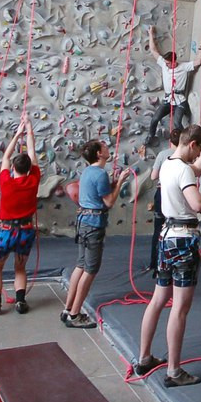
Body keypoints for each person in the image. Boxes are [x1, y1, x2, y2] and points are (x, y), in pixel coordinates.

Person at [135, 124, 201, 388]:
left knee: (159, 298)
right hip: (183, 239)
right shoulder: (183, 169)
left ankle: (144, 357)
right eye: (200, 149)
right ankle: (173, 371)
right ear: (192, 144)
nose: (199, 155)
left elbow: (197, 169)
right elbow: (196, 204)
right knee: (180, 308)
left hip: (166, 237)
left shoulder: (170, 163)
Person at [62, 139, 123, 328]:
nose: (107, 147)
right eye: (104, 146)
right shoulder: (101, 174)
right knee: (90, 270)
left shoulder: (88, 171)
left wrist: (112, 182)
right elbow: (109, 203)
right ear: (98, 153)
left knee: (80, 265)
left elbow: (99, 193)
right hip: (93, 225)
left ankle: (68, 308)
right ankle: (75, 314)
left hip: (83, 223)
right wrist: (120, 182)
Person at [0, 113, 39, 316]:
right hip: (25, 231)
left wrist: (17, 134)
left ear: (13, 168)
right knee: (20, 268)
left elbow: (6, 157)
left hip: (6, 231)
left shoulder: (6, 182)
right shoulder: (33, 181)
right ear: (28, 169)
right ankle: (20, 301)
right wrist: (29, 129)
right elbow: (33, 154)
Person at [145, 26, 201, 145]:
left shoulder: (183, 67)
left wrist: (200, 49)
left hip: (180, 100)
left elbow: (198, 62)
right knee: (155, 119)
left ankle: (185, 144)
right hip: (168, 100)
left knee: (177, 124)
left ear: (174, 61)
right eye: (165, 63)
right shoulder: (163, 65)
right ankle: (150, 136)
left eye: (168, 64)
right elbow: (153, 50)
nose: (166, 65)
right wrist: (151, 34)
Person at [146, 125, 182, 271]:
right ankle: (176, 260)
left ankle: (154, 263)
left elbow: (153, 176)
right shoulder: (184, 157)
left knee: (158, 228)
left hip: (162, 193)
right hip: (178, 194)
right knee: (176, 227)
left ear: (170, 141)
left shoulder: (163, 154)